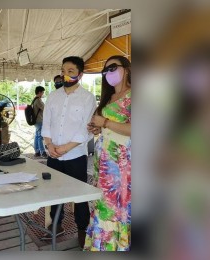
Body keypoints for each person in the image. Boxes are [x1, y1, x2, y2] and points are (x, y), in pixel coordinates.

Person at [41, 56, 96, 247]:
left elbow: (86, 129)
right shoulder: (53, 96)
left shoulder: (87, 98)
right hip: (53, 154)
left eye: (71, 71)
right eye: (63, 70)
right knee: (54, 192)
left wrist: (64, 148)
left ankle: (82, 229)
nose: (65, 74)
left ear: (80, 75)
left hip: (75, 155)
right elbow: (46, 123)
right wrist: (49, 145)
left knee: (80, 194)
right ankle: (56, 225)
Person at [84, 55, 131, 251]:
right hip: (103, 161)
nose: (108, 73)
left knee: (116, 207)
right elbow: (110, 127)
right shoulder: (108, 97)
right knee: (102, 204)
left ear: (126, 68)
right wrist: (98, 128)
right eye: (105, 70)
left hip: (122, 164)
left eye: (112, 67)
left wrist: (105, 123)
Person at [33, 86, 47, 158]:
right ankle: (42, 152)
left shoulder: (34, 99)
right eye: (42, 92)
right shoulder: (38, 100)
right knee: (40, 137)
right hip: (39, 120)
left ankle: (37, 151)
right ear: (39, 92)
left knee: (37, 136)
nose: (43, 94)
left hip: (36, 121)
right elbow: (45, 108)